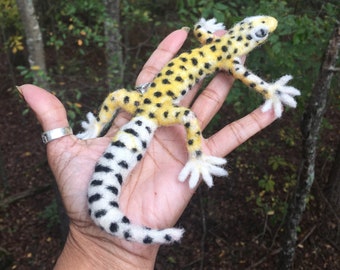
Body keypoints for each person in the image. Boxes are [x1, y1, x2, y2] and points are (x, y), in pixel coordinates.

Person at [18, 27, 276, 269]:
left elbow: (199, 30)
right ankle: (196, 156)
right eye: (259, 32)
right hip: (153, 111)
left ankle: (98, 124)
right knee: (186, 116)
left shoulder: (216, 43)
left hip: (144, 102)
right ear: (247, 37)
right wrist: (271, 90)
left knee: (119, 96)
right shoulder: (228, 57)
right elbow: (249, 78)